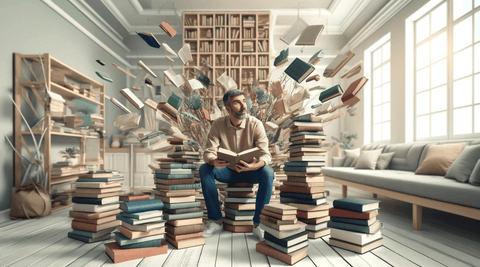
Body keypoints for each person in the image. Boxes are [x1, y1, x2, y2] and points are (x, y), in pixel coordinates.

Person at [200, 89, 274, 240]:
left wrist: (255, 165)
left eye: (243, 101)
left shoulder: (256, 124)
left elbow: (266, 155)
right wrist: (213, 160)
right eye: (237, 103)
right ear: (228, 108)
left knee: (268, 171)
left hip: (250, 171)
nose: (243, 105)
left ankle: (258, 224)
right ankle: (216, 220)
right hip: (227, 171)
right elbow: (208, 151)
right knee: (205, 169)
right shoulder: (218, 124)